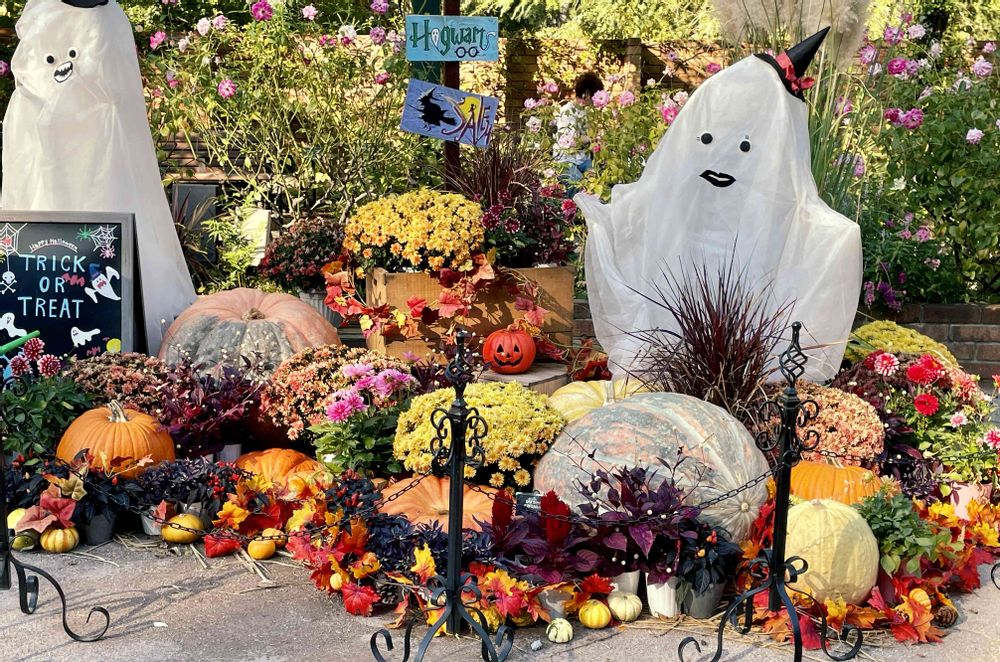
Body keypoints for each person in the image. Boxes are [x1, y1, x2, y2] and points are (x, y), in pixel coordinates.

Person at [553, 72, 604, 183]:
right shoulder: (567, 111)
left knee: (597, 182)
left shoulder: (588, 113)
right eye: (595, 96)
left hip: (583, 160)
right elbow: (569, 141)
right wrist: (593, 138)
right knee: (578, 186)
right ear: (587, 94)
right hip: (565, 160)